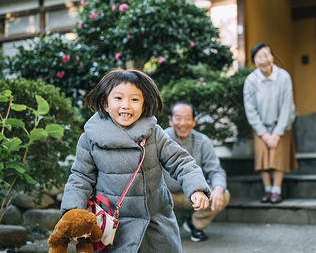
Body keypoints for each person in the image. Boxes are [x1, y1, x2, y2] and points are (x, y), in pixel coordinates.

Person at [60, 69, 211, 253]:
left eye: (134, 99)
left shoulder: (153, 133)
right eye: (118, 98)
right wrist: (73, 212)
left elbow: (180, 161)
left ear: (143, 104)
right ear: (105, 103)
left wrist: (196, 188)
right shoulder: (90, 139)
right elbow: (81, 178)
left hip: (155, 221)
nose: (126, 105)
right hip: (115, 226)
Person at [163, 101, 231, 242]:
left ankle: (195, 225)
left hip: (195, 194)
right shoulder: (162, 139)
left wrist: (218, 188)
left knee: (223, 194)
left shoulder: (203, 141)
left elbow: (216, 171)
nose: (183, 123)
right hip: (166, 196)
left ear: (194, 121)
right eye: (178, 117)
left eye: (188, 118)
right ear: (170, 120)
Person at [243, 43, 297, 204]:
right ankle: (267, 190)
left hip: (282, 124)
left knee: (278, 157)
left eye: (266, 55)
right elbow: (250, 109)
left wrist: (277, 132)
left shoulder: (284, 77)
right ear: (254, 61)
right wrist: (264, 134)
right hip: (261, 127)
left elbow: (287, 106)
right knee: (263, 158)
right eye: (259, 57)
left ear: (272, 57)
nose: (264, 60)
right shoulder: (250, 81)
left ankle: (276, 190)